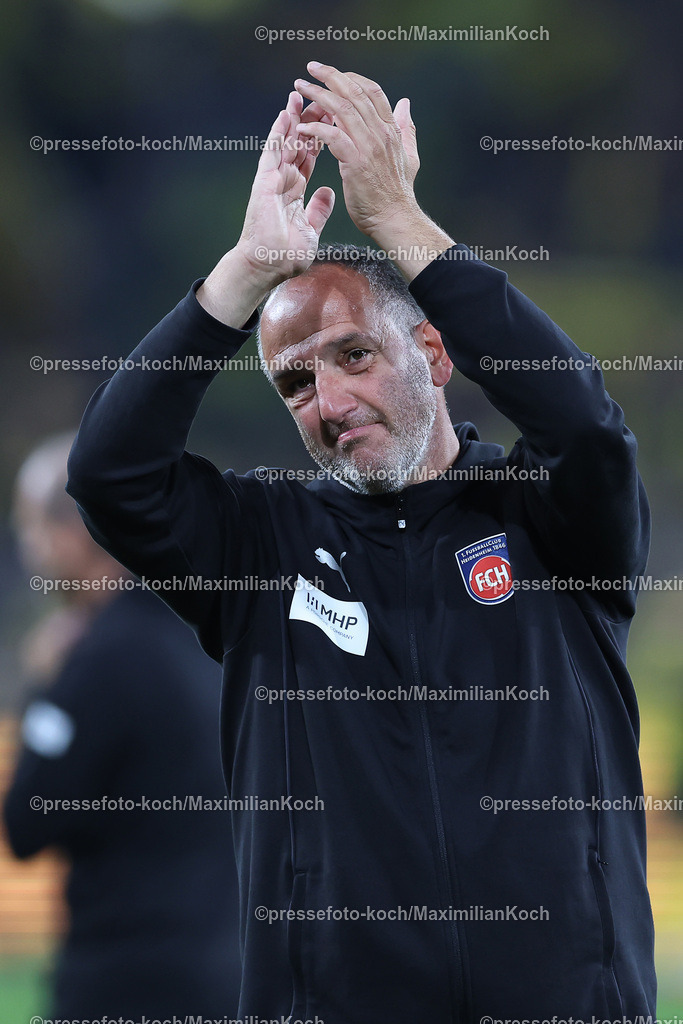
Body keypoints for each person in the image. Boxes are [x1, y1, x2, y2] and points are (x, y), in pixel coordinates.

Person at [66, 63, 657, 1021]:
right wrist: (246, 270)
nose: (329, 404)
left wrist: (401, 225)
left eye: (353, 355)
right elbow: (108, 471)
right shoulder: (258, 542)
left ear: (429, 354)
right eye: (295, 385)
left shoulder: (551, 517)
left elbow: (585, 424)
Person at [3, 433, 241, 1019]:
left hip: (126, 977)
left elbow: (26, 823)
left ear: (71, 532)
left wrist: (46, 689)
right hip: (222, 969)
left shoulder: (99, 659)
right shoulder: (204, 638)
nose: (29, 550)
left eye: (30, 527)